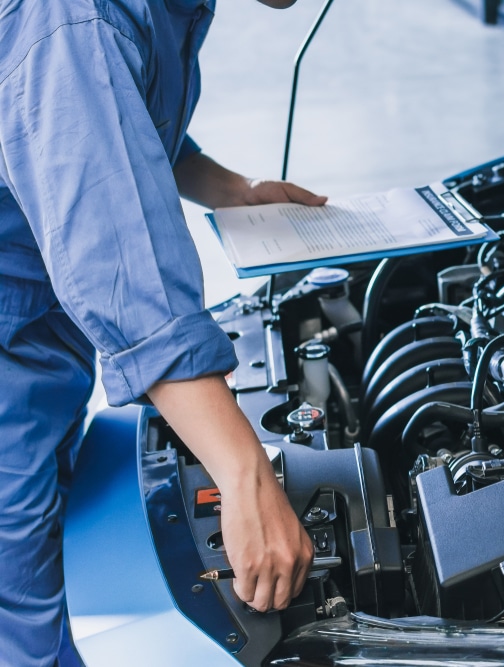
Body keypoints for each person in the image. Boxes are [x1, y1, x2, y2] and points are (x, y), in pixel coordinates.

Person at [0, 1, 322, 664]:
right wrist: (242, 470)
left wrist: (231, 188)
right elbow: (124, 268)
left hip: (37, 322)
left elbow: (119, 117)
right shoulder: (74, 18)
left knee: (48, 551)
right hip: (11, 342)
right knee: (19, 609)